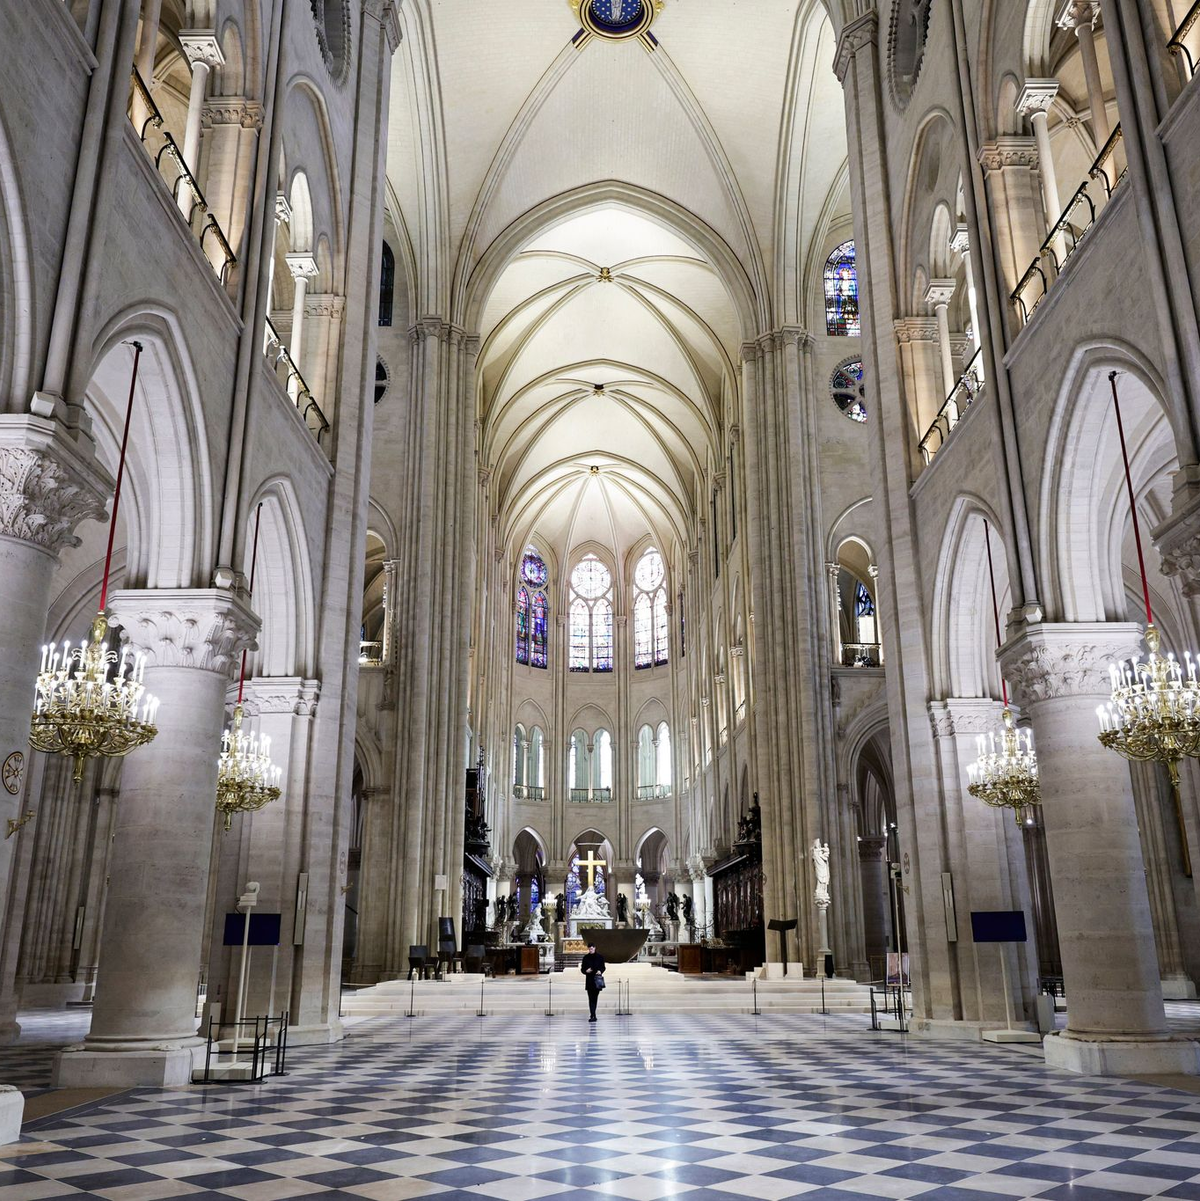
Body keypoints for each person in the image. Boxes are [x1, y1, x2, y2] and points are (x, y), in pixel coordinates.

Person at [580, 942, 606, 1022]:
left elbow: (603, 967)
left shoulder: (600, 957)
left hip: (597, 980)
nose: (591, 950)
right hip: (589, 980)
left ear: (594, 948)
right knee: (591, 998)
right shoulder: (586, 958)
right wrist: (586, 971)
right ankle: (592, 1015)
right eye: (589, 949)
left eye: (592, 948)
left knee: (595, 998)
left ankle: (593, 1014)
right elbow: (582, 969)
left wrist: (600, 971)